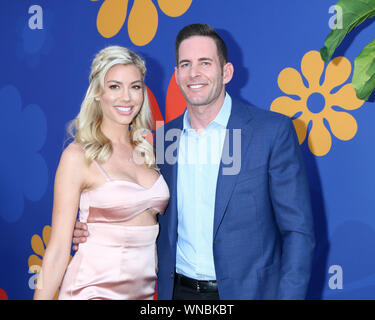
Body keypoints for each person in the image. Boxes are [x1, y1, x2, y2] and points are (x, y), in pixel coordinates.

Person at [74, 24, 315, 300]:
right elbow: (147, 212)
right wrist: (94, 228)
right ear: (176, 75)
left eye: (205, 63)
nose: (194, 73)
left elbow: (298, 232)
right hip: (179, 294)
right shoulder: (163, 140)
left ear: (226, 72)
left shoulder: (271, 132)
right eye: (185, 64)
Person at [33, 46, 170, 300]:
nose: (127, 98)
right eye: (115, 86)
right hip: (90, 292)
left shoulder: (150, 151)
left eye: (135, 87)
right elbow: (58, 250)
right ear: (98, 92)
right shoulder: (78, 156)